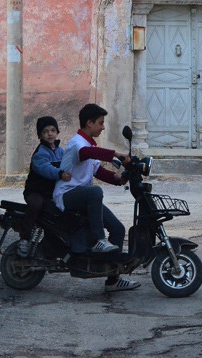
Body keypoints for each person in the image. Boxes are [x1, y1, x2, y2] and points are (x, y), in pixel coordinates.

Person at [53, 103, 141, 292]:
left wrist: (118, 179)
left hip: (83, 198)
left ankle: (113, 279)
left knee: (117, 229)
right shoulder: (77, 143)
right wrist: (116, 154)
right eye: (100, 123)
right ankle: (100, 240)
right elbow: (86, 154)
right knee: (95, 192)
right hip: (67, 195)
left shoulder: (90, 145)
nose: (102, 127)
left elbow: (97, 171)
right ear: (89, 123)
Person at [18, 116, 72, 258]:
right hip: (36, 191)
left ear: (57, 132)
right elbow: (46, 169)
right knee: (36, 205)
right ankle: (24, 237)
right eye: (45, 131)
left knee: (57, 214)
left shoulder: (61, 151)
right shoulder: (40, 153)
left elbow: (69, 164)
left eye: (53, 130)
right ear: (40, 135)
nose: (50, 134)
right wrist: (60, 173)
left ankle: (52, 246)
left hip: (52, 192)